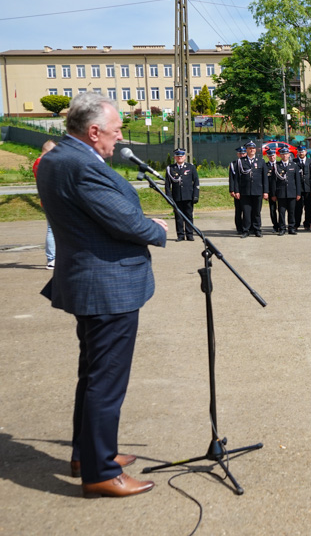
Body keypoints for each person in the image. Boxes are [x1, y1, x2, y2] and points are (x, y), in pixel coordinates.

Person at [36, 92, 168, 498]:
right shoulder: (81, 166)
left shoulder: (57, 159)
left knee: (92, 374)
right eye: (115, 130)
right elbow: (123, 221)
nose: (120, 137)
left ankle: (87, 453)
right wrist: (157, 227)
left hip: (89, 282)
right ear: (93, 132)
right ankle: (100, 471)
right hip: (107, 286)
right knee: (106, 382)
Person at [164, 148, 199, 241]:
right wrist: (169, 197)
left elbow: (196, 182)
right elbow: (167, 184)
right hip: (176, 197)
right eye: (178, 156)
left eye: (181, 156)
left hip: (188, 196)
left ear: (185, 157)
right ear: (175, 157)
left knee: (189, 216)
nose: (180, 158)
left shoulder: (190, 167)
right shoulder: (170, 168)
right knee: (178, 217)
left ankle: (190, 234)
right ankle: (180, 235)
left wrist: (196, 195)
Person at [32, 139, 57, 268]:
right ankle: (52, 258)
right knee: (52, 230)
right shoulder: (45, 163)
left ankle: (52, 258)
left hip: (47, 200)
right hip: (53, 200)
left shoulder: (37, 163)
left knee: (52, 229)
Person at [237, 140, 269, 238]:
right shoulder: (241, 161)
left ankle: (257, 229)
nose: (252, 150)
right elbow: (237, 178)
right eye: (250, 148)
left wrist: (266, 191)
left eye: (253, 148)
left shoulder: (261, 161)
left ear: (256, 150)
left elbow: (265, 178)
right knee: (246, 212)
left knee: (256, 212)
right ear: (246, 150)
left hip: (257, 190)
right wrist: (237, 191)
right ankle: (246, 230)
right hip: (245, 191)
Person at [271, 146, 302, 235]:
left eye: (286, 154)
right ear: (280, 155)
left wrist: (298, 193)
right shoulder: (276, 166)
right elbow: (273, 181)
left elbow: (297, 181)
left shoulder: (294, 165)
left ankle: (291, 227)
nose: (285, 156)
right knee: (281, 211)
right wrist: (273, 193)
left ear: (289, 155)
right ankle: (282, 228)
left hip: (292, 192)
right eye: (283, 154)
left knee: (292, 211)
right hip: (281, 193)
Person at [293, 146, 311, 231]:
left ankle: (307, 223)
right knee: (298, 208)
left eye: (303, 151)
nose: (301, 153)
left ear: (306, 152)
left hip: (308, 188)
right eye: (299, 151)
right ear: (297, 152)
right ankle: (296, 224)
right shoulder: (294, 162)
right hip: (299, 189)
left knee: (309, 208)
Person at [228, 146, 246, 234]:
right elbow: (232, 178)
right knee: (238, 210)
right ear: (237, 154)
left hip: (247, 190)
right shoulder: (233, 164)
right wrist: (232, 190)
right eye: (240, 153)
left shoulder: (247, 163)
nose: (242, 155)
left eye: (244, 153)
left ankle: (247, 227)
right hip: (237, 190)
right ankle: (239, 228)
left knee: (247, 210)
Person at [265, 149, 280, 232]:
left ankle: (282, 225)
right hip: (271, 191)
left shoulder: (279, 164)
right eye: (270, 155)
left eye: (273, 155)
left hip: (280, 191)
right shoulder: (265, 166)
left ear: (276, 155)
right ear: (267, 156)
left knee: (281, 209)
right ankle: (275, 225)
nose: (272, 157)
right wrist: (266, 191)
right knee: (272, 209)